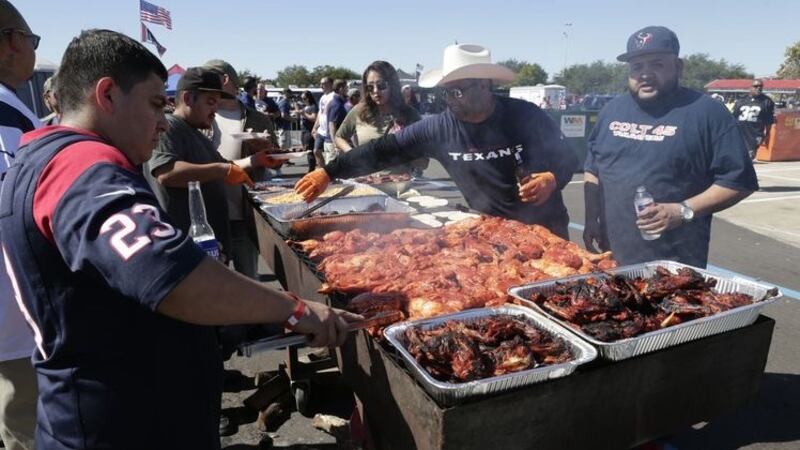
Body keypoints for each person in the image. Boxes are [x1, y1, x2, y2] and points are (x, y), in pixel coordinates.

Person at [0, 29, 358, 450]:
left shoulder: (42, 157)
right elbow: (164, 273)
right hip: (117, 429)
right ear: (108, 94)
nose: (162, 120)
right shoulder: (81, 166)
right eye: (155, 103)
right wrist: (295, 310)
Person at [296, 44, 577, 238]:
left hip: (546, 228)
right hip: (492, 230)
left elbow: (569, 158)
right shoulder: (438, 128)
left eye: (458, 91)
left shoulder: (524, 115)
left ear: (484, 85)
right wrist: (329, 171)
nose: (450, 100)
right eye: (447, 92)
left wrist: (552, 178)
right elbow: (382, 150)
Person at [583, 26, 758, 268]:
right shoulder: (612, 111)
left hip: (675, 263)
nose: (645, 74)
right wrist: (591, 218)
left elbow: (738, 182)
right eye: (637, 67)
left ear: (678, 67)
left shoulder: (707, 112)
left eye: (657, 64)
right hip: (611, 255)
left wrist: (683, 210)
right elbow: (593, 169)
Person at [144, 67, 277, 262]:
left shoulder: (197, 134)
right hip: (186, 249)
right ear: (188, 98)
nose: (215, 109)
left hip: (208, 249)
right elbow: (167, 173)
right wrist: (222, 170)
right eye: (211, 102)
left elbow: (225, 166)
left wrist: (256, 160)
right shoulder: (171, 128)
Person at [0, 3, 39, 448]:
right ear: (13, 40)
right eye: (33, 40)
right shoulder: (6, 117)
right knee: (27, 428)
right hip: (15, 318)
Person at [203, 58, 280, 280]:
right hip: (210, 212)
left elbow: (276, 157)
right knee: (214, 283)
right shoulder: (200, 114)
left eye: (209, 77)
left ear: (225, 79)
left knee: (250, 280)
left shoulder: (257, 118)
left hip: (244, 213)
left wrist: (267, 150)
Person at [335, 60, 427, 175]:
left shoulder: (409, 114)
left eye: (381, 85)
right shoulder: (359, 111)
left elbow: (424, 163)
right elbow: (339, 137)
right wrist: (353, 154)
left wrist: (404, 148)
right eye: (370, 87)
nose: (375, 91)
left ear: (392, 85)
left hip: (398, 187)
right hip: (366, 185)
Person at [733, 79, 775, 160]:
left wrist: (767, 134)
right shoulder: (741, 100)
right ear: (750, 87)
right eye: (756, 86)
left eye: (760, 86)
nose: (758, 88)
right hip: (740, 132)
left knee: (749, 157)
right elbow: (734, 117)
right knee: (737, 156)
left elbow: (769, 120)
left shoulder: (767, 101)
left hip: (755, 134)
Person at [323, 79, 348, 163]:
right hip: (332, 143)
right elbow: (332, 124)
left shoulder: (338, 102)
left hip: (332, 142)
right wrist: (336, 144)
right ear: (341, 89)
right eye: (346, 87)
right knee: (332, 172)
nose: (347, 90)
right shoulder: (336, 104)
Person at [311, 76, 334, 168]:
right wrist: (315, 127)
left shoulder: (334, 97)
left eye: (324, 83)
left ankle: (330, 173)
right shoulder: (322, 97)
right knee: (316, 151)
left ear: (331, 84)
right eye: (321, 84)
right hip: (321, 130)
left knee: (331, 155)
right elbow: (320, 113)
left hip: (329, 131)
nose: (321, 86)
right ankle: (322, 170)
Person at [295, 90, 318, 171]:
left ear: (308, 98)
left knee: (310, 151)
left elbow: (314, 118)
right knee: (307, 150)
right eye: (302, 99)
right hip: (304, 131)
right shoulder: (305, 107)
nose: (303, 100)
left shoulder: (313, 107)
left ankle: (311, 169)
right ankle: (311, 168)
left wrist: (303, 114)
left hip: (309, 131)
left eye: (304, 98)